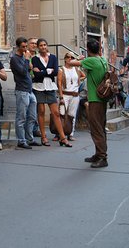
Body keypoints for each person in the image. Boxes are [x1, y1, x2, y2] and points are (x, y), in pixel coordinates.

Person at [72, 39, 109, 168]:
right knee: (100, 127)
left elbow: (71, 62)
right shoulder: (103, 60)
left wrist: (79, 57)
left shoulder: (91, 61)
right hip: (103, 98)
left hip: (95, 99)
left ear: (88, 49)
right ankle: (99, 154)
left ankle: (102, 157)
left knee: (96, 128)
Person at [31, 38, 71, 147]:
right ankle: (43, 137)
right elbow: (37, 75)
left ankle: (62, 137)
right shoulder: (35, 58)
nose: (43, 47)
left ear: (47, 46)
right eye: (41, 45)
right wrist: (48, 71)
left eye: (45, 45)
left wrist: (43, 71)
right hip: (39, 87)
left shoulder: (53, 57)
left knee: (56, 112)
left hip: (50, 87)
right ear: (38, 47)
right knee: (41, 111)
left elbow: (56, 72)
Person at [10, 37, 40, 149]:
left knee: (32, 116)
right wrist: (27, 60)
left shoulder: (24, 57)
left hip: (29, 89)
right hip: (21, 90)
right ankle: (21, 140)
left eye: (26, 46)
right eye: (23, 47)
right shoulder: (14, 59)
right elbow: (22, 72)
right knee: (21, 116)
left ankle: (30, 138)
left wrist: (30, 66)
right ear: (18, 47)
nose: (25, 48)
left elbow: (27, 72)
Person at [57, 52, 86, 141]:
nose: (70, 58)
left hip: (75, 95)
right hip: (65, 94)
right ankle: (61, 134)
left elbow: (84, 76)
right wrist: (61, 96)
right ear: (65, 59)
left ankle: (70, 133)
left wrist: (78, 80)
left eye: (72, 57)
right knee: (62, 114)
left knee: (72, 115)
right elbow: (59, 83)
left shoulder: (76, 69)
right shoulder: (62, 70)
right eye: (68, 57)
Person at [26, 37, 43, 138]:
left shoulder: (39, 56)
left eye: (36, 44)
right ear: (28, 44)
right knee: (28, 107)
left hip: (37, 83)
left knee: (37, 107)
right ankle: (29, 129)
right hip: (27, 83)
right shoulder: (25, 55)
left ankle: (35, 128)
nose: (34, 45)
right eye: (32, 43)